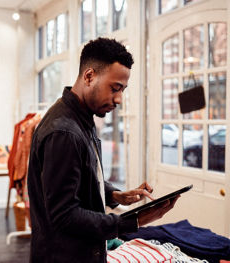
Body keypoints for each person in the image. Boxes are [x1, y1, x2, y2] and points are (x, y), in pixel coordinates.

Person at [27, 38, 180, 263]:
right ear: (89, 76)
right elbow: (65, 216)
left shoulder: (81, 120)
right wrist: (134, 221)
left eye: (122, 90)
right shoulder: (64, 132)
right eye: (115, 88)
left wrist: (114, 194)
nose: (118, 99)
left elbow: (78, 179)